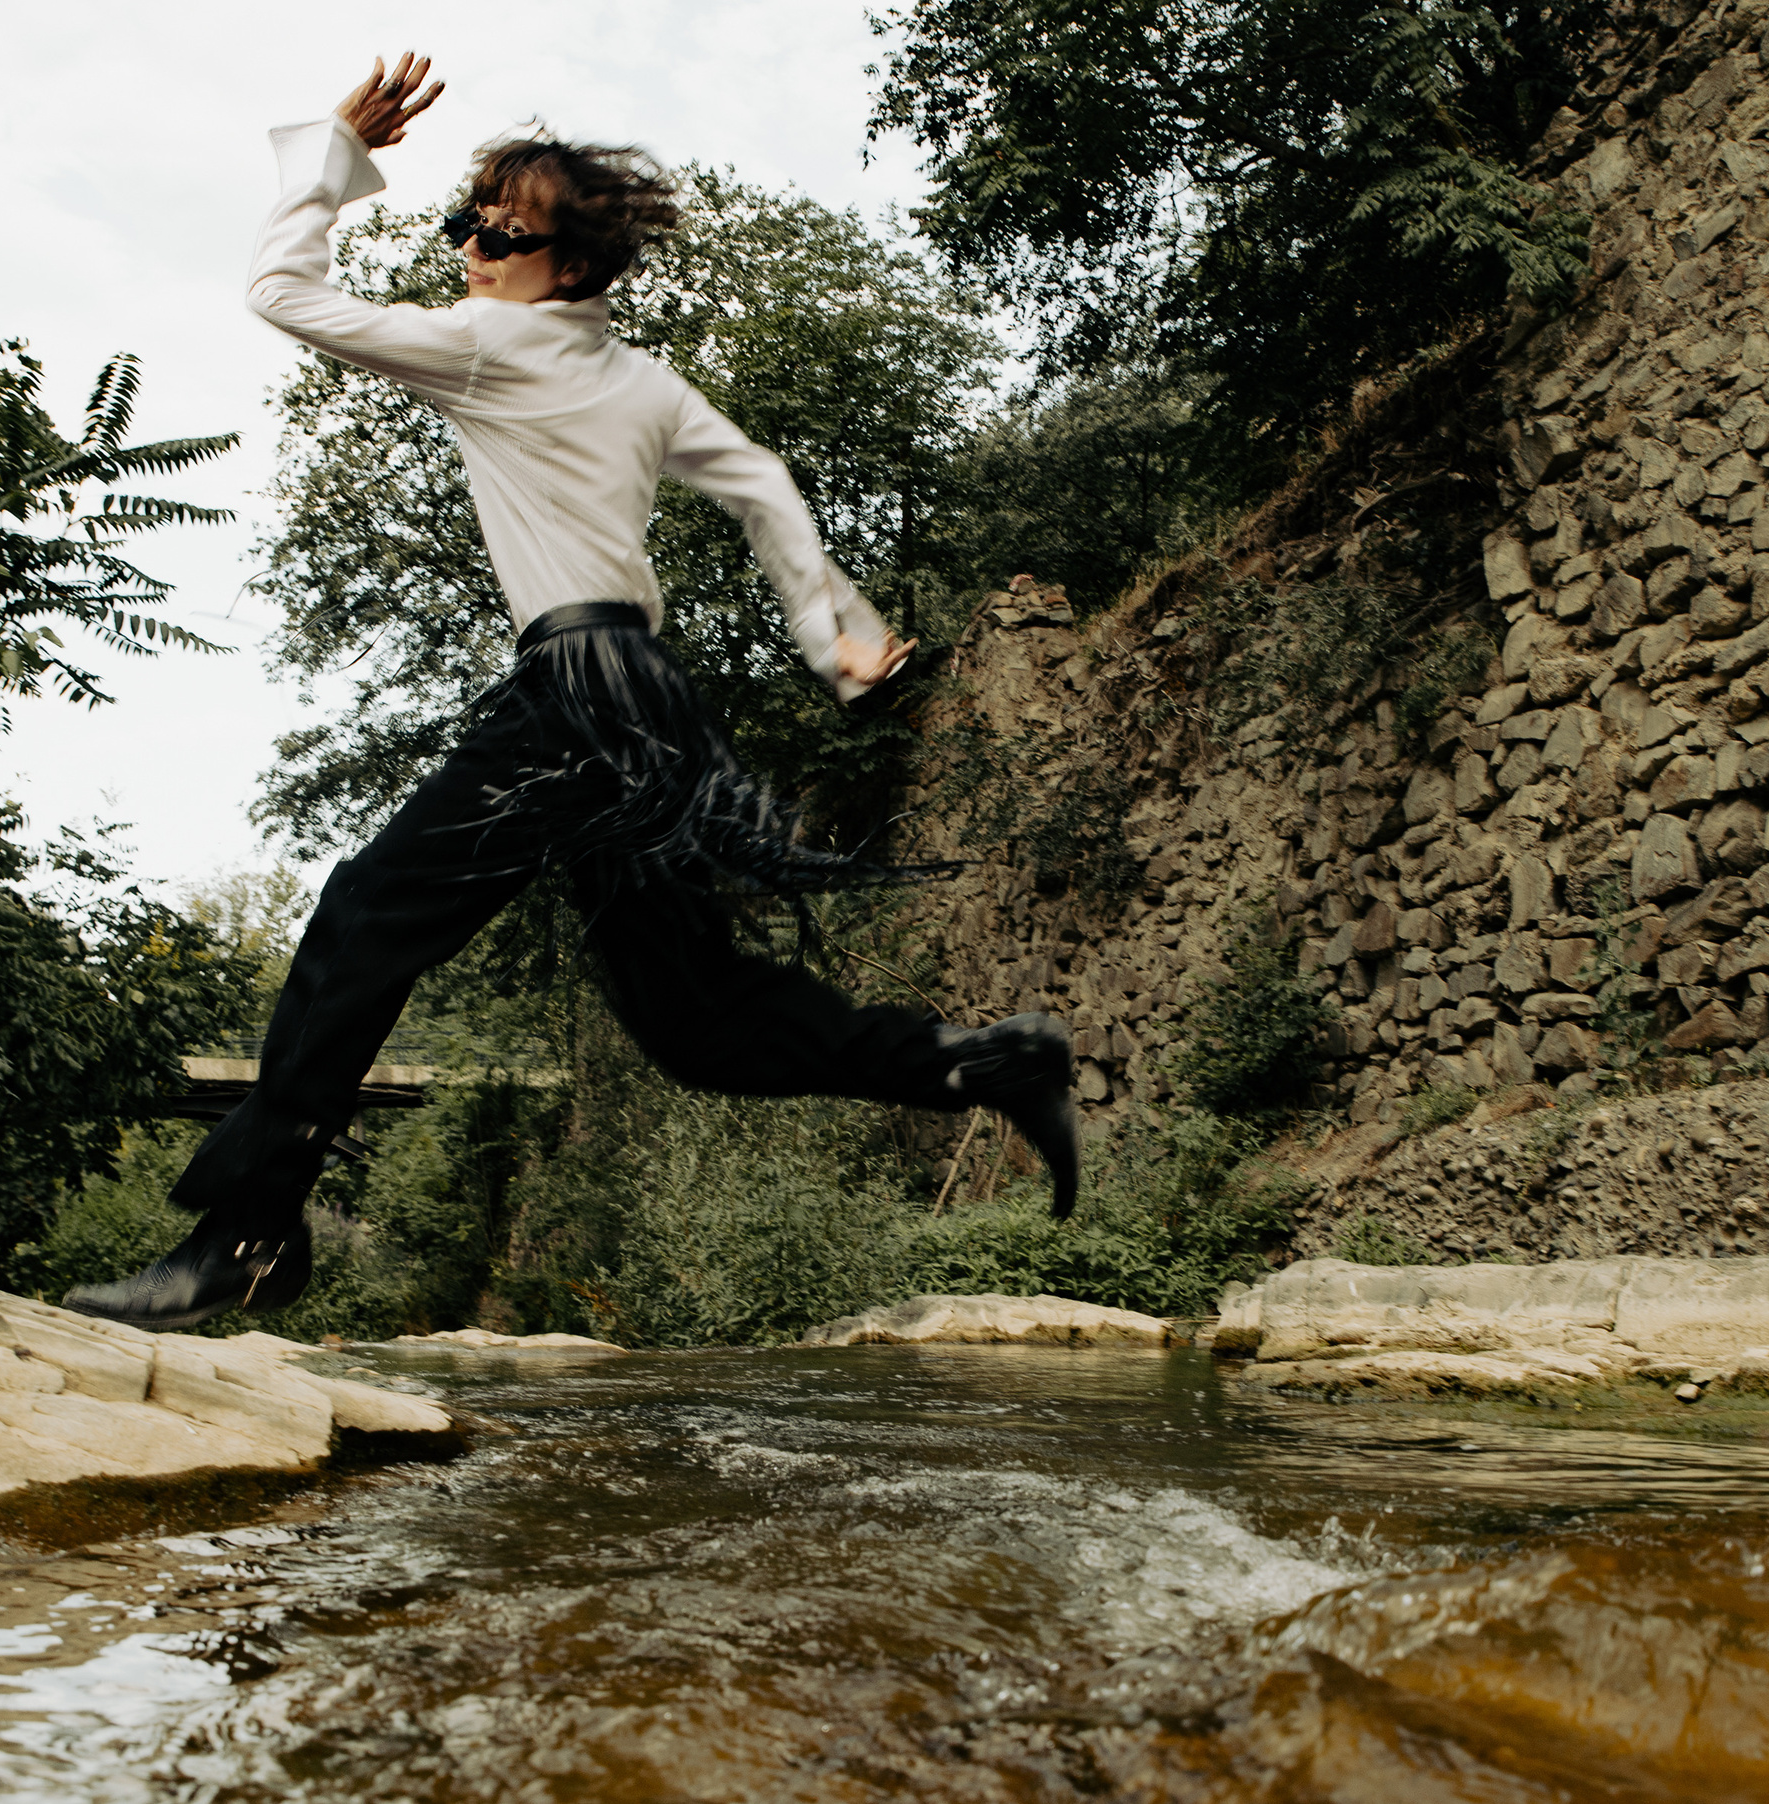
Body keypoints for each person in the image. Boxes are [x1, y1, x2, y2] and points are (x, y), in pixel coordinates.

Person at [66, 54, 1078, 1331]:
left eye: (500, 235)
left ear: (573, 265)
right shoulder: (643, 380)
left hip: (575, 688)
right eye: (467, 224)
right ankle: (981, 1064)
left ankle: (249, 1237)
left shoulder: (486, 345)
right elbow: (760, 480)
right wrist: (838, 638)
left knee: (367, 917)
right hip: (647, 704)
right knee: (695, 1025)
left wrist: (334, 154)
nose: (470, 251)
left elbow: (281, 292)